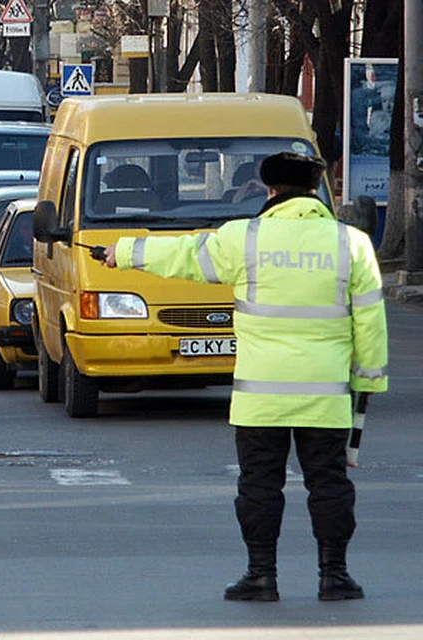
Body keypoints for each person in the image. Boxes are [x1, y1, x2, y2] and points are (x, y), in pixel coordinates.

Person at [100, 152, 389, 602]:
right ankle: (334, 576)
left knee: (259, 487)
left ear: (270, 190)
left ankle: (261, 576)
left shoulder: (245, 239)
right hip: (327, 396)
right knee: (330, 486)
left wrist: (122, 252)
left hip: (260, 398)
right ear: (315, 191)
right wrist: (369, 383)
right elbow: (370, 322)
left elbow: (184, 254)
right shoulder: (350, 243)